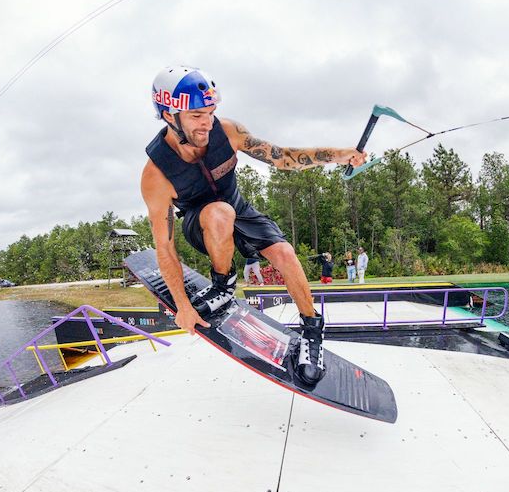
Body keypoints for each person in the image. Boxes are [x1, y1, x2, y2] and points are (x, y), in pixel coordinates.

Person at [141, 66, 366, 384]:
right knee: (219, 213)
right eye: (195, 116)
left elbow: (284, 158)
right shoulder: (156, 175)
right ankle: (223, 284)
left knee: (286, 254)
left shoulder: (228, 131)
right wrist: (182, 307)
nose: (207, 123)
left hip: (239, 208)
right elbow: (164, 246)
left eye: (210, 112)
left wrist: (340, 154)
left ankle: (313, 332)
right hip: (200, 221)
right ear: (168, 115)